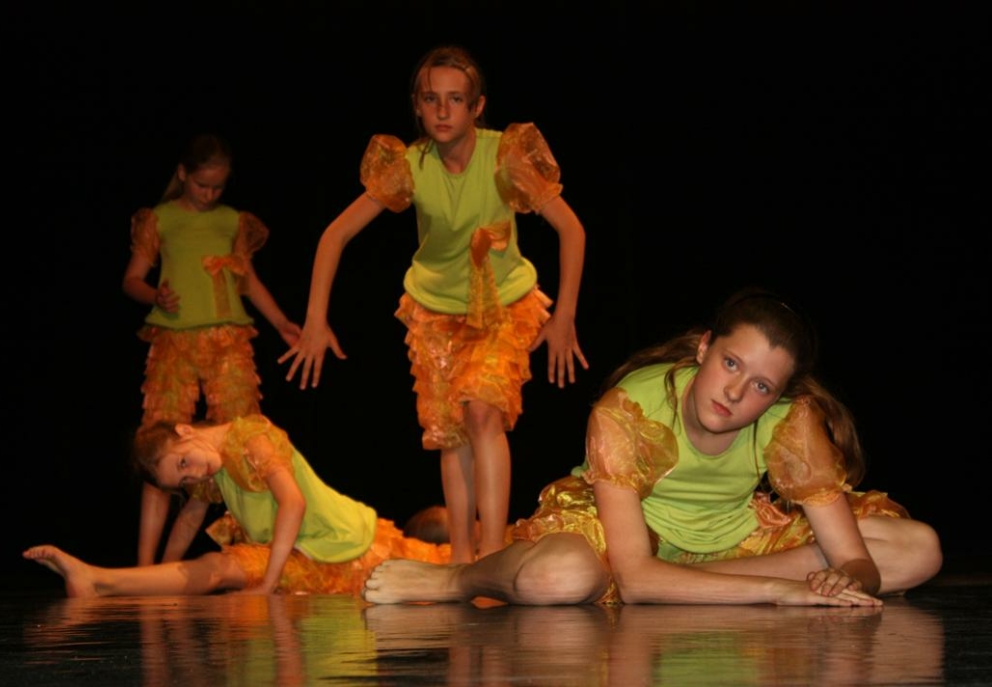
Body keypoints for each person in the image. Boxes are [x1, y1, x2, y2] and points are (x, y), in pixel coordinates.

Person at [362, 288, 944, 606]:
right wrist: (784, 591)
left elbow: (856, 559)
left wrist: (850, 578)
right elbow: (636, 579)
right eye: (731, 364)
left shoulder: (791, 422)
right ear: (704, 348)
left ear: (779, 396)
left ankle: (695, 585)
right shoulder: (629, 409)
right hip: (626, 546)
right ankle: (456, 581)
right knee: (559, 577)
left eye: (761, 386)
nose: (735, 392)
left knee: (917, 549)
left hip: (732, 544)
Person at [280, 45, 589, 564]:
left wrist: (564, 317)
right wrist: (314, 321)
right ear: (418, 106)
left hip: (503, 304)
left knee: (483, 412)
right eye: (431, 99)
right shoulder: (409, 165)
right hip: (435, 311)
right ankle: (463, 557)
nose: (443, 111)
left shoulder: (504, 156)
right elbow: (334, 235)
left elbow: (571, 229)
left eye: (455, 99)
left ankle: (493, 552)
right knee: (452, 433)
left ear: (476, 107)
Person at [23, 414, 452, 596]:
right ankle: (98, 579)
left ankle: (99, 579)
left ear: (185, 431)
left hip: (345, 545)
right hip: (300, 553)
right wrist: (154, 579)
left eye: (184, 463)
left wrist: (268, 582)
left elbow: (293, 504)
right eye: (183, 479)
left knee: (445, 565)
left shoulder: (249, 438)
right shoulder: (212, 469)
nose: (194, 475)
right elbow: (188, 521)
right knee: (218, 566)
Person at [122, 133, 302, 566]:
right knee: (162, 447)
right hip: (174, 340)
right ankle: (145, 566)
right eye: (202, 185)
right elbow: (131, 280)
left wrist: (282, 323)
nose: (209, 194)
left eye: (218, 187)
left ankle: (260, 551)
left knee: (244, 440)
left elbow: (248, 282)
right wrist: (154, 295)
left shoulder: (231, 221)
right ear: (183, 174)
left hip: (228, 339)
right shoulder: (161, 219)